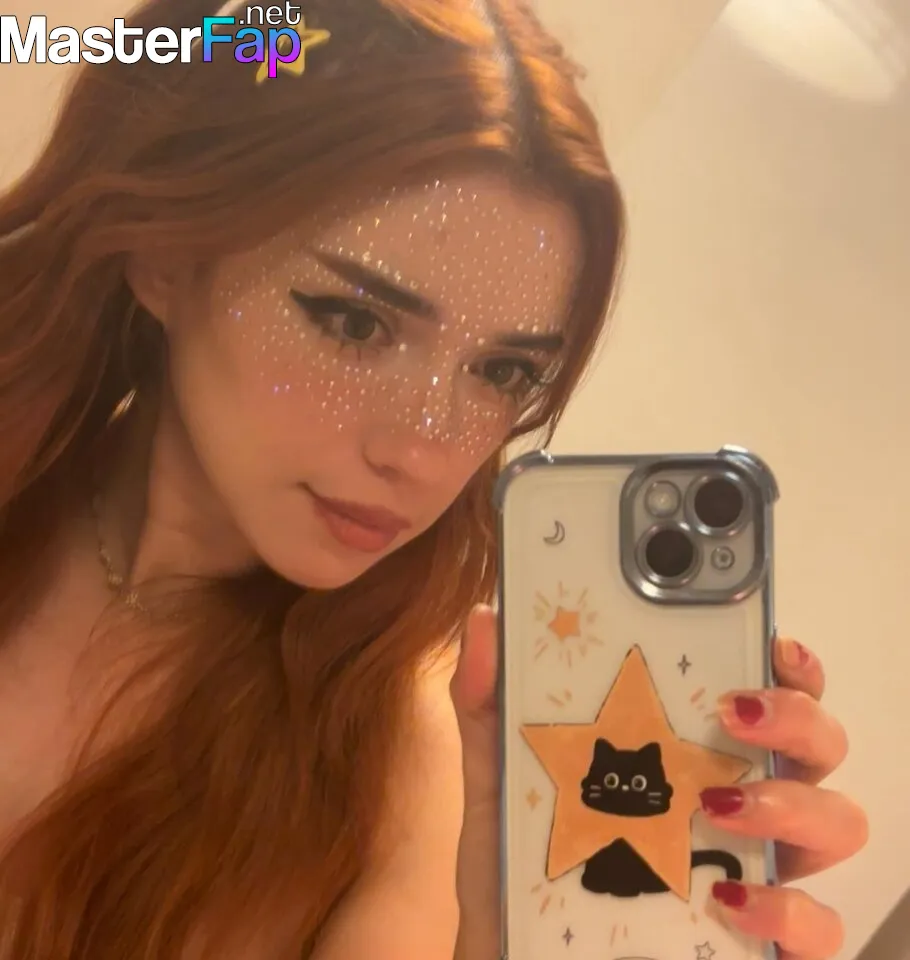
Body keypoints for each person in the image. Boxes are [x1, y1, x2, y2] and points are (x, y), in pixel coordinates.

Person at [0, 0, 867, 957]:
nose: (424, 451)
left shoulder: (410, 758)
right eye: (355, 322)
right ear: (165, 256)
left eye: (502, 372)